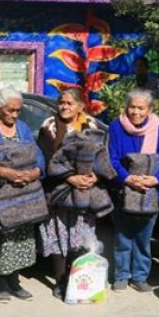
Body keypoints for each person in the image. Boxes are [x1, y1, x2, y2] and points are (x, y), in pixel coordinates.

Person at [0, 88, 44, 302]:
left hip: (22, 193)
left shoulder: (23, 128)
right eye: (11, 110)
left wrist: (34, 172)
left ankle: (14, 280)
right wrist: (8, 172)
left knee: (20, 237)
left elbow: (38, 155)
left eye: (18, 110)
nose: (15, 115)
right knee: (1, 235)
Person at [38, 88, 103, 297]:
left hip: (85, 190)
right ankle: (59, 280)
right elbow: (47, 158)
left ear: (80, 107)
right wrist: (68, 177)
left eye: (69, 103)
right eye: (62, 103)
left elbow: (103, 156)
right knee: (57, 234)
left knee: (79, 233)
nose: (64, 107)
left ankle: (76, 277)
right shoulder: (49, 126)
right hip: (57, 189)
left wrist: (96, 176)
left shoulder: (91, 125)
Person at [107, 89, 159, 292]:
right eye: (132, 107)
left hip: (150, 191)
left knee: (144, 238)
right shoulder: (116, 126)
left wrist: (156, 178)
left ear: (150, 109)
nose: (136, 112)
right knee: (123, 236)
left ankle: (140, 276)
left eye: (141, 108)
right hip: (124, 189)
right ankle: (121, 275)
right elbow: (112, 158)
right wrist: (127, 178)